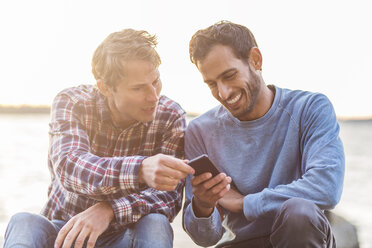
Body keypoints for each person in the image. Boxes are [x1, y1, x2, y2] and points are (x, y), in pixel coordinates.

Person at [4, 28, 194, 248]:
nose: (153, 96)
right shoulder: (72, 102)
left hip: (125, 236)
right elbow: (69, 166)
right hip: (63, 232)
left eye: (156, 81)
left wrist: (110, 210)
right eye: (138, 88)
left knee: (156, 223)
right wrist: (140, 169)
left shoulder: (170, 116)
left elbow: (167, 198)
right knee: (23, 222)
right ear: (105, 88)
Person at [183, 21, 345, 248]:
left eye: (229, 75)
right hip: (240, 243)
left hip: (301, 236)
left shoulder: (310, 108)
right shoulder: (199, 131)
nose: (223, 93)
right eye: (212, 84)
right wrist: (203, 205)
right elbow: (205, 238)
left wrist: (244, 203)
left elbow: (326, 188)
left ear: (255, 60)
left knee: (299, 212)